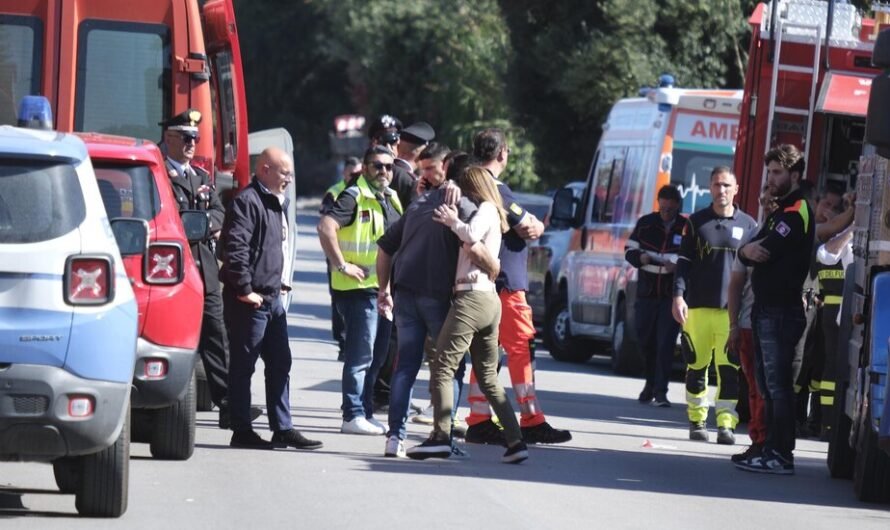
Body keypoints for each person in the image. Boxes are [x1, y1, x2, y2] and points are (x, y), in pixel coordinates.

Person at [406, 167, 528, 464]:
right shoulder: (494, 214)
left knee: (443, 365)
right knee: (488, 377)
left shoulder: (486, 209)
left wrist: (453, 221)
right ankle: (515, 442)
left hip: (472, 297)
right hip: (487, 300)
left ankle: (439, 437)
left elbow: (471, 237)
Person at [376, 145, 491, 457]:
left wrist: (383, 289)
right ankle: (444, 436)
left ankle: (394, 438)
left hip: (405, 291)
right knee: (450, 367)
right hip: (436, 296)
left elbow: (385, 247)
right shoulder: (465, 206)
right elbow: (474, 244)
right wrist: (493, 269)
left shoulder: (418, 204)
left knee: (406, 366)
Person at [464, 128, 572, 445]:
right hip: (506, 285)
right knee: (521, 348)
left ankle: (479, 418)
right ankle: (531, 419)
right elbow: (528, 225)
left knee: (486, 352)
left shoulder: (469, 186)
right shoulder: (496, 189)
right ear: (502, 154)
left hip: (483, 284)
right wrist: (536, 224)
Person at [159, 109, 259, 429]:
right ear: (169, 139)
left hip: (204, 264)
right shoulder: (159, 174)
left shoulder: (200, 177)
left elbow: (219, 212)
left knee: (217, 333)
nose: (191, 144)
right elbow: (168, 216)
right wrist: (194, 225)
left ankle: (229, 402)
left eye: (195, 139)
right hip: (174, 265)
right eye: (186, 138)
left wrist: (201, 224)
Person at [220, 147, 322, 450]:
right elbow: (235, 249)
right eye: (283, 172)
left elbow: (274, 250)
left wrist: (280, 284)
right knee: (244, 366)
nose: (289, 179)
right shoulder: (248, 201)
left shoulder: (276, 202)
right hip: (250, 301)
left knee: (280, 363)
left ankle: (283, 427)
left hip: (273, 299)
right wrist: (244, 289)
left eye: (290, 173)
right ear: (264, 169)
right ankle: (241, 430)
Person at [735, 144, 816, 475]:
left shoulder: (797, 211)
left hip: (781, 311)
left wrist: (747, 251)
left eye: (778, 172)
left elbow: (764, 250)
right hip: (766, 309)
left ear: (795, 175)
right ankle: (768, 448)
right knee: (768, 385)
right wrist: (744, 251)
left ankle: (781, 454)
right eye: (769, 171)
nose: (770, 178)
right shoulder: (780, 211)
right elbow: (749, 250)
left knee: (778, 386)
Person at [317, 146, 402, 436]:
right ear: (365, 168)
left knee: (378, 357)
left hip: (382, 290)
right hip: (357, 290)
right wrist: (341, 265)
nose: (384, 172)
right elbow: (326, 227)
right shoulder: (353, 196)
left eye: (389, 167)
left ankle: (364, 411)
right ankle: (352, 414)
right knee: (360, 356)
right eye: (377, 166)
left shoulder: (390, 197)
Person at [672, 167, 757, 445]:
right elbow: (683, 263)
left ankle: (725, 424)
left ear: (736, 189)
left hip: (730, 312)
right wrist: (678, 296)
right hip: (696, 309)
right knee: (696, 366)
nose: (721, 190)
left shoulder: (749, 226)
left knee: (729, 370)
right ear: (710, 188)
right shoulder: (695, 222)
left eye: (726, 185)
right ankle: (697, 420)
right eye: (717, 185)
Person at [727, 187, 777, 465]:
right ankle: (759, 442)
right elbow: (734, 286)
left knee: (771, 388)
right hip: (748, 324)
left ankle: (770, 443)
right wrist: (733, 326)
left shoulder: (791, 237)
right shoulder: (750, 239)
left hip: (775, 323)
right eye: (764, 199)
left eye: (774, 200)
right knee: (755, 388)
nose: (768, 204)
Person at [624, 185, 684, 407]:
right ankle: (649, 383)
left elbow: (692, 258)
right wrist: (640, 258)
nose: (666, 212)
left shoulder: (685, 227)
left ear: (677, 206)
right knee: (645, 340)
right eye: (663, 207)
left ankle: (661, 391)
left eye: (670, 209)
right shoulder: (646, 224)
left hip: (670, 295)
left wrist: (675, 265)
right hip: (646, 294)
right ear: (659, 203)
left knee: (665, 344)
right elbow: (628, 251)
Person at [321, 156, 363, 362]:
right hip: (338, 259)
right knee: (339, 303)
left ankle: (351, 343)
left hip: (363, 263)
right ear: (345, 173)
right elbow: (325, 225)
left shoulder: (367, 192)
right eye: (352, 173)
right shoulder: (335, 193)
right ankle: (343, 342)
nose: (355, 176)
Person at [367, 114, 417, 208]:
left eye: (392, 142)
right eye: (383, 143)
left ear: (399, 143)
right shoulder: (361, 177)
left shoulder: (406, 179)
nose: (388, 148)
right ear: (373, 144)